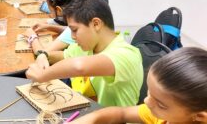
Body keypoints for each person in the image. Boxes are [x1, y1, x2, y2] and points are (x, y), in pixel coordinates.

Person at [26, 0, 143, 107]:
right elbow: (61, 56)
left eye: (75, 30)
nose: (72, 36)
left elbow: (79, 66)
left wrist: (43, 75)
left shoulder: (127, 54)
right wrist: (43, 55)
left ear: (96, 24)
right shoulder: (87, 46)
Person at [70, 47, 207, 124]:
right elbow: (122, 113)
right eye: (149, 93)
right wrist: (91, 119)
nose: (147, 102)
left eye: (161, 104)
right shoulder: (163, 116)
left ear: (199, 116)